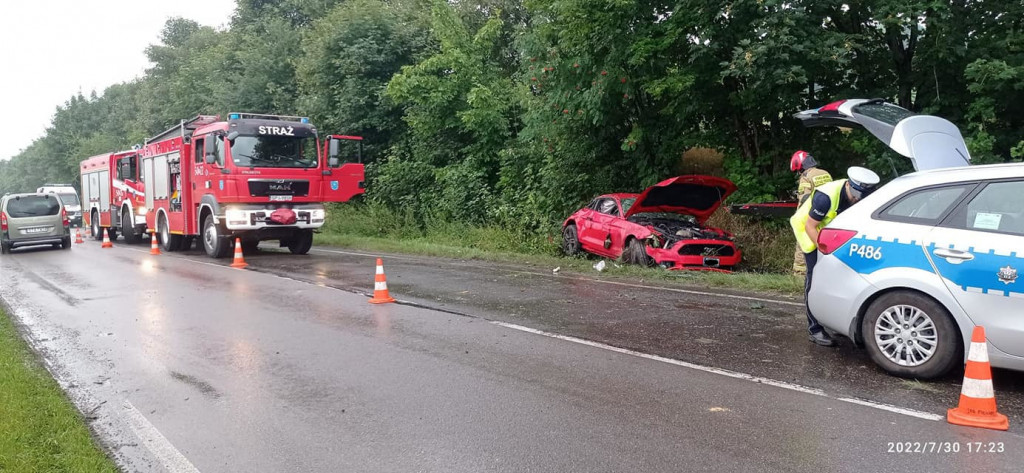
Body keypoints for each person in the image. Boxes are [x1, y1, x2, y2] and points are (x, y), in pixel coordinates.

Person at [790, 166, 880, 347]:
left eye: (861, 196)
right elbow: (810, 226)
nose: (857, 199)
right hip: (810, 232)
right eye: (855, 195)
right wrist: (823, 250)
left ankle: (835, 321)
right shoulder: (825, 197)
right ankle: (814, 329)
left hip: (833, 234)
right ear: (849, 185)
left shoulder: (862, 196)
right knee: (815, 279)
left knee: (840, 277)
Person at [790, 150, 832, 275]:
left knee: (802, 246)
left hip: (810, 218)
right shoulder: (825, 174)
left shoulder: (806, 177)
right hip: (826, 218)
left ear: (800, 165)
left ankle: (799, 275)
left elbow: (805, 199)